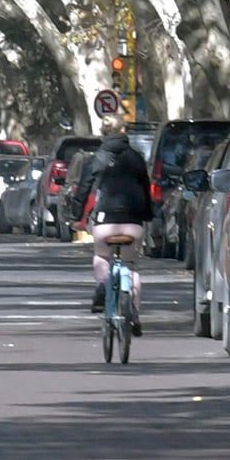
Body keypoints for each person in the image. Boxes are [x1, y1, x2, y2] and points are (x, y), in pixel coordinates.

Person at [82, 132, 155, 327]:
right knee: (130, 266)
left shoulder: (98, 157)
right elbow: (146, 190)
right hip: (133, 222)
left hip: (105, 220)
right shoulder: (137, 158)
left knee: (101, 256)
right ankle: (135, 316)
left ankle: (102, 286)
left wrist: (75, 216)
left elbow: (84, 187)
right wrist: (148, 215)